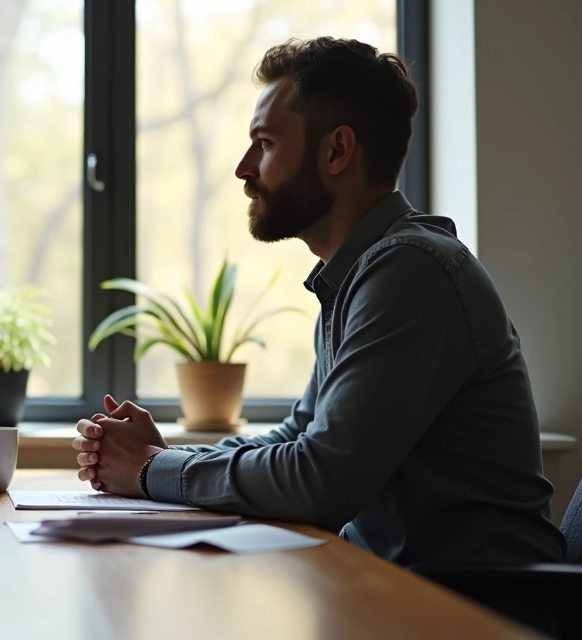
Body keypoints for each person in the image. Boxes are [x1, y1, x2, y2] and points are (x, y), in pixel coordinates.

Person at [73, 38, 566, 568]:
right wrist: (163, 458)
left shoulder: (411, 271)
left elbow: (319, 480)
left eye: (264, 143)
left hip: (477, 611)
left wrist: (150, 469)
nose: (244, 169)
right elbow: (299, 438)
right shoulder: (357, 275)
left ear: (336, 151)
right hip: (394, 592)